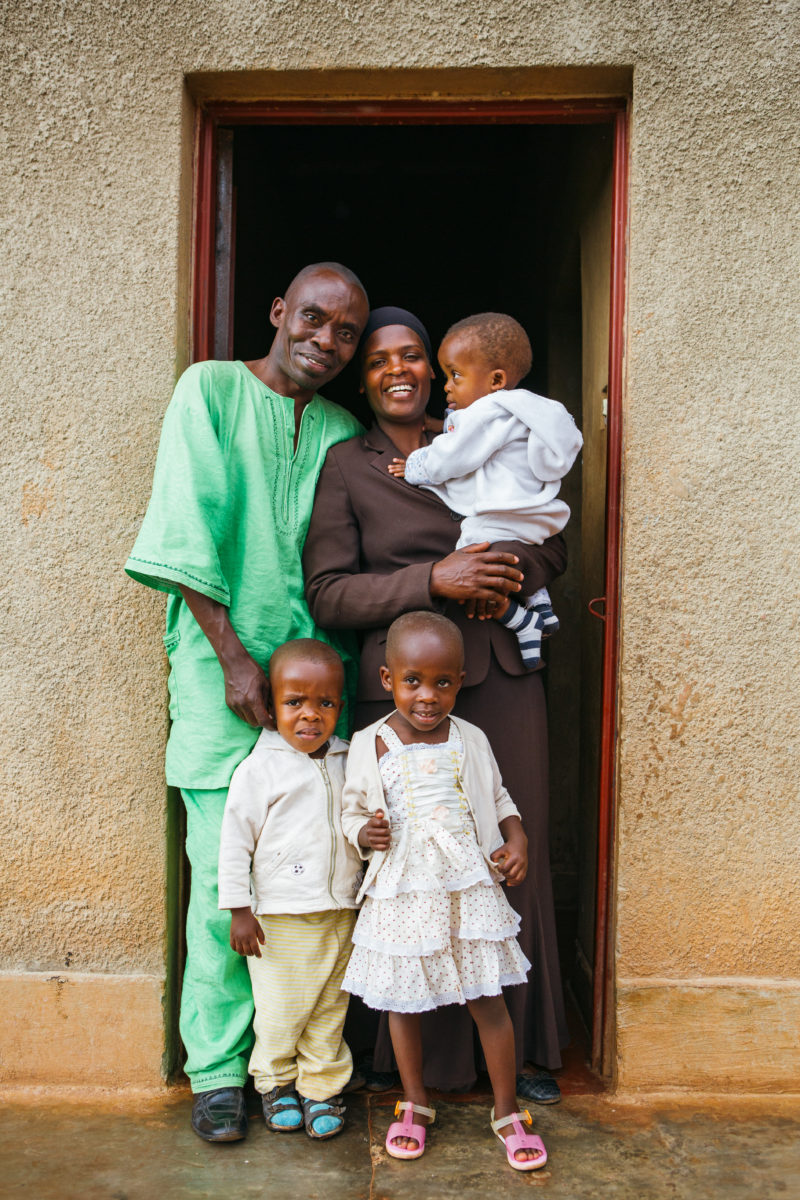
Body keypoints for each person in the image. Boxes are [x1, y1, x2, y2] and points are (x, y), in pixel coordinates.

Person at [125, 263, 369, 1141]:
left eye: (346, 332)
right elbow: (186, 523)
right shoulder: (212, 391)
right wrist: (233, 659)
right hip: (222, 674)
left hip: (314, 688)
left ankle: (302, 1070)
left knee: (315, 881)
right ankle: (220, 1071)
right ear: (278, 312)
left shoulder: (342, 425)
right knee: (227, 884)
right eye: (313, 318)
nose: (327, 340)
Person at [303, 307, 569, 1103]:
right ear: (364, 377)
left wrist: (505, 566)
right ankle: (407, 1062)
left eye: (414, 356)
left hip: (496, 670)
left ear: (435, 370)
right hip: (401, 688)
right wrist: (433, 580)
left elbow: (548, 534)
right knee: (406, 865)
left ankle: (518, 1054)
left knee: (507, 851)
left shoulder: (489, 426)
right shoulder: (349, 466)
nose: (399, 370)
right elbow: (327, 592)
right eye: (381, 358)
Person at [341, 612, 547, 1171]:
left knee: (487, 998)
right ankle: (414, 1102)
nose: (427, 696)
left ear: (459, 680)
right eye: (412, 681)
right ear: (387, 679)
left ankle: (507, 1109)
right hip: (404, 889)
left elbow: (499, 797)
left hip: (466, 886)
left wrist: (517, 835)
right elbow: (349, 811)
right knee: (403, 1004)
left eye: (442, 682)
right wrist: (363, 832)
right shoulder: (370, 742)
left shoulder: (469, 737)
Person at [218, 639, 362, 1140]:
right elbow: (235, 842)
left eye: (324, 703)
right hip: (278, 919)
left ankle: (321, 1088)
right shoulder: (260, 769)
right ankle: (276, 1083)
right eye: (294, 702)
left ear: (339, 708)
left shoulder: (349, 760)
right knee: (281, 1009)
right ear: (271, 706)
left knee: (328, 1007)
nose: (310, 715)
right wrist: (239, 909)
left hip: (340, 911)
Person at [389, 312, 583, 669]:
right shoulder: (527, 411)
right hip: (533, 516)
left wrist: (415, 466)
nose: (447, 385)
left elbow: (455, 454)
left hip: (499, 514)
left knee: (471, 558)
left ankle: (520, 620)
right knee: (514, 554)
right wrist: (437, 423)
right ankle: (539, 601)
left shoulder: (490, 411)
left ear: (496, 380)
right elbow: (465, 430)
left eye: (456, 375)